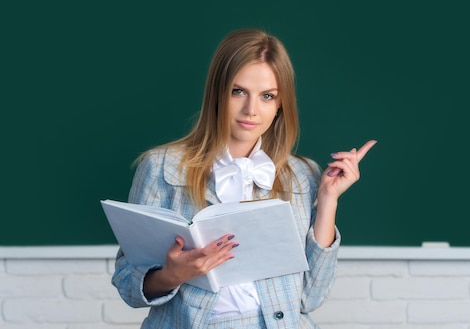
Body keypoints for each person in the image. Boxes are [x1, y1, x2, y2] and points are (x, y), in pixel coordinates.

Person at [112, 28, 376, 328]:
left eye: (267, 96)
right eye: (238, 91)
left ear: (280, 105)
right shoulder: (161, 167)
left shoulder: (304, 175)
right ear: (217, 93)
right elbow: (127, 284)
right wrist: (171, 276)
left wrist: (329, 199)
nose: (251, 110)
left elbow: (310, 298)